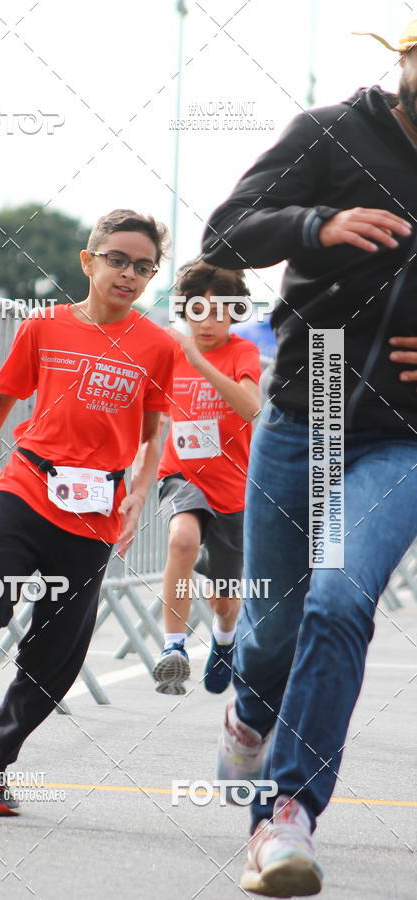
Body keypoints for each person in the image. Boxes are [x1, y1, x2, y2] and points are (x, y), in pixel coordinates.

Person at [201, 18, 417, 897]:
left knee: (338, 598)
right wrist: (316, 224)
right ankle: (251, 710)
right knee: (274, 634)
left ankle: (285, 820)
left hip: (405, 432)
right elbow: (227, 234)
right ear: (405, 58)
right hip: (307, 403)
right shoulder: (330, 132)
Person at [0, 209, 175, 815]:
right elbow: (0, 400)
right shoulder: (45, 327)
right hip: (28, 489)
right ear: (88, 262)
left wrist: (140, 489)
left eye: (144, 267)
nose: (129, 275)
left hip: (96, 514)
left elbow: (154, 428)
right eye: (117, 260)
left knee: (55, 657)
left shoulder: (158, 345)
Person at [150, 261, 261, 695]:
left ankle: (224, 639)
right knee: (182, 539)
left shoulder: (241, 353)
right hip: (181, 476)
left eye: (219, 312)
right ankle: (172, 648)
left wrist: (200, 361)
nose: (208, 321)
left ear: (235, 314)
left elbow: (252, 406)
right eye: (198, 311)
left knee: (226, 601)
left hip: (233, 489)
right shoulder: (168, 353)